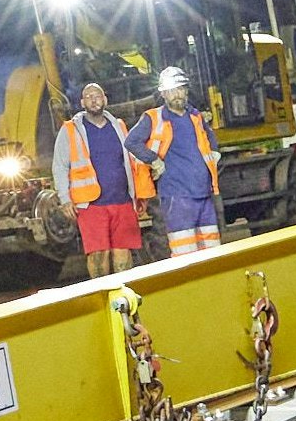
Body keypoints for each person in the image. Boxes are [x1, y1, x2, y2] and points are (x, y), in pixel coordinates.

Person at [49, 80, 154, 277]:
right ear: (82, 103)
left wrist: (139, 194)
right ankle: (103, 297)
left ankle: (124, 297)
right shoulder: (70, 130)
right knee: (98, 255)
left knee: (123, 253)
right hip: (91, 206)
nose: (93, 100)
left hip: (122, 201)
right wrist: (64, 198)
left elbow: (132, 162)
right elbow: (60, 166)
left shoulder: (119, 126)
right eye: (88, 97)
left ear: (105, 99)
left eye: (97, 96)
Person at [125, 66, 225, 255]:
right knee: (185, 252)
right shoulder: (153, 118)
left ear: (186, 90)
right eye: (171, 91)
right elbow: (131, 141)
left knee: (213, 251)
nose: (177, 94)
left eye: (180, 89)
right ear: (163, 94)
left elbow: (211, 138)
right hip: (176, 196)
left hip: (203, 193)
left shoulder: (195, 116)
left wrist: (213, 157)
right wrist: (153, 160)